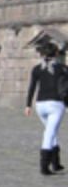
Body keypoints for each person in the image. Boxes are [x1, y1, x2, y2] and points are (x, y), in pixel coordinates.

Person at [26, 44, 68, 175]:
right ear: (56, 54)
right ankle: (44, 166)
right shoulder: (62, 68)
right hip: (56, 104)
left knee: (51, 131)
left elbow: (32, 87)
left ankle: (56, 163)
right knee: (49, 133)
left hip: (40, 105)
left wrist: (28, 105)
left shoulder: (37, 69)